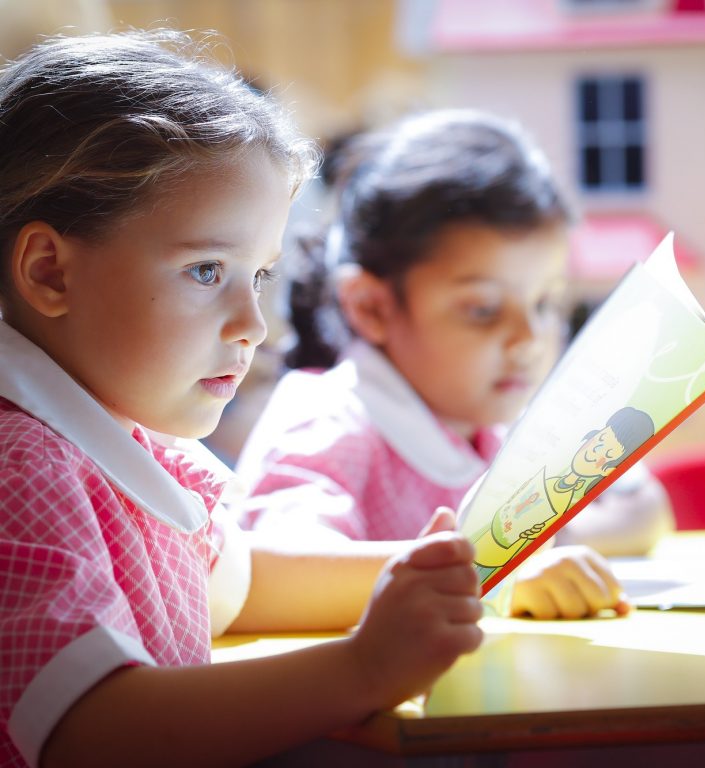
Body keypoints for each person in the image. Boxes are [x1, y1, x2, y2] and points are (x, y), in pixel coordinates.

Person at [0, 31, 486, 768]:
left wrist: (459, 575)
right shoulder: (19, 465)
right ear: (50, 273)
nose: (252, 325)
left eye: (258, 276)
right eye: (205, 271)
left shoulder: (121, 442)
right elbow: (90, 729)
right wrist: (363, 669)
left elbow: (241, 581)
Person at [236, 109, 671, 619]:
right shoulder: (329, 422)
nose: (528, 339)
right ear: (372, 307)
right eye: (483, 310)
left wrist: (535, 546)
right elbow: (274, 573)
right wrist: (485, 570)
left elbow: (644, 506)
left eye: (546, 304)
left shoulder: (493, 425)